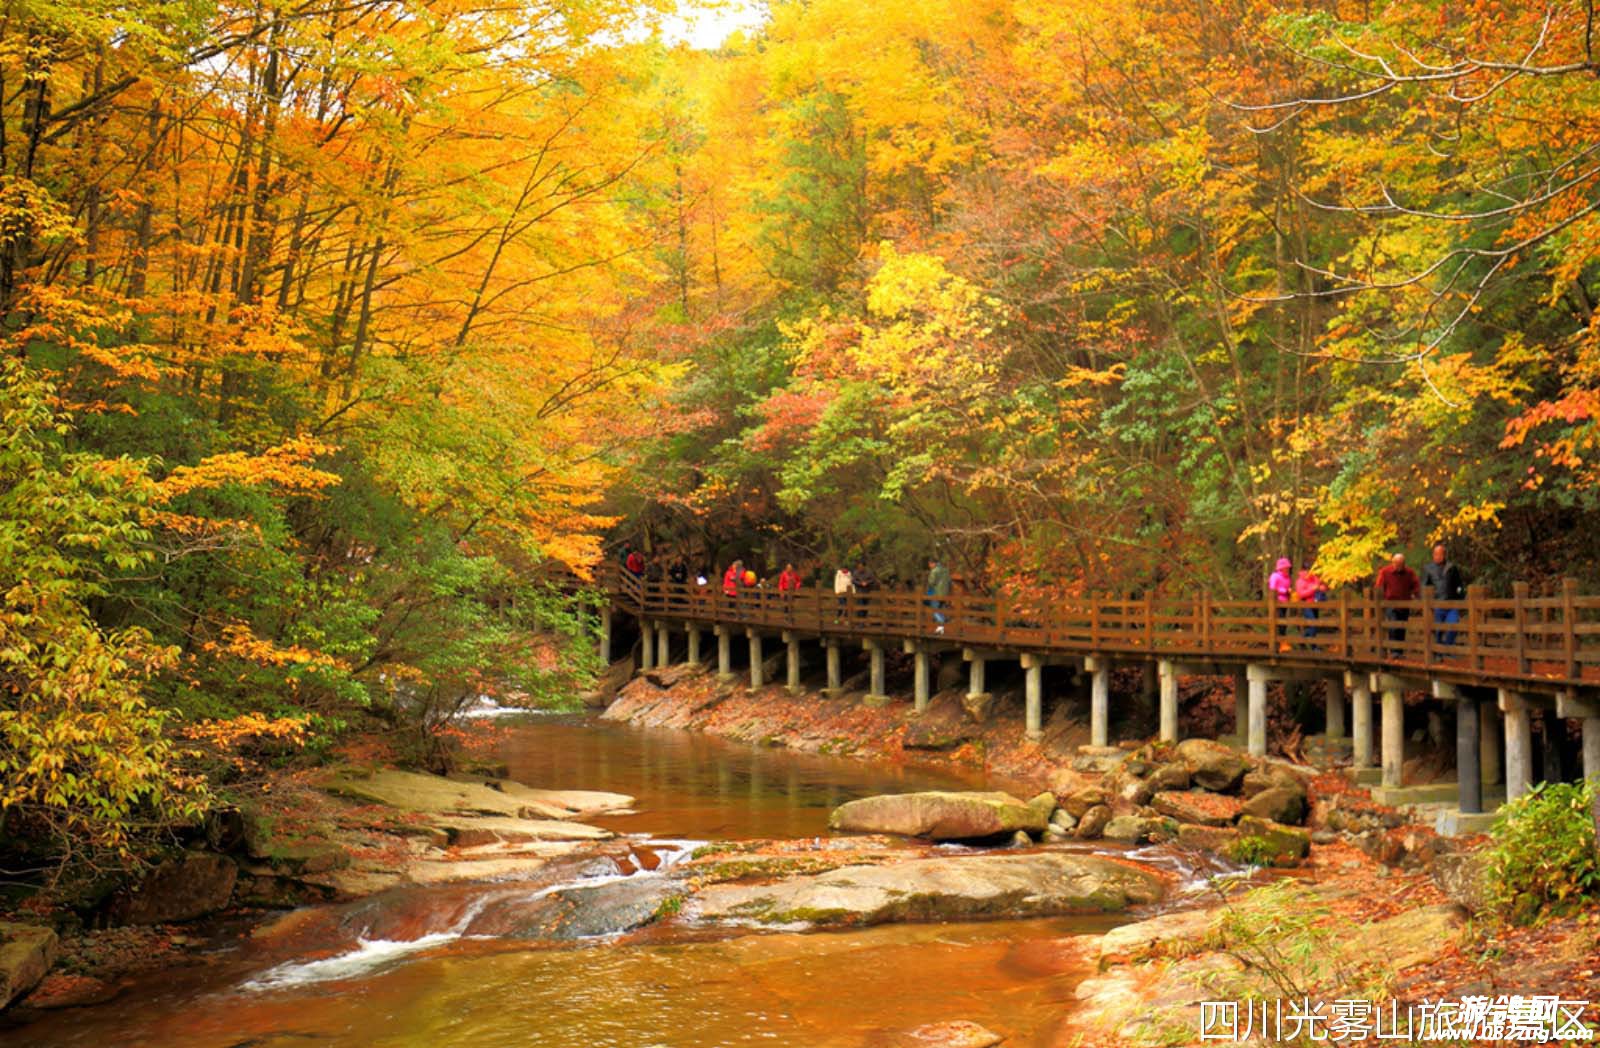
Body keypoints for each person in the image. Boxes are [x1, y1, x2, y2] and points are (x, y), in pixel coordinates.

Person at [1374, 552, 1421, 655]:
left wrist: (1416, 596)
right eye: (1397, 563)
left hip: (1404, 604)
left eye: (1401, 564)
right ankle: (1394, 650)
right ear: (1393, 563)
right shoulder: (1385, 572)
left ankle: (1399, 651)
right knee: (1393, 625)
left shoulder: (1409, 572)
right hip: (1390, 603)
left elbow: (1416, 586)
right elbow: (1378, 587)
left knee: (1401, 627)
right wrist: (1381, 600)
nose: (1399, 566)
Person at [1422, 543, 1466, 646]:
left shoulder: (1452, 567)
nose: (1438, 556)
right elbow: (1424, 586)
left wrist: (1461, 598)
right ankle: (1438, 652)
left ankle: (1448, 648)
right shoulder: (1428, 568)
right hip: (1436, 604)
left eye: (1440, 554)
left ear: (1445, 555)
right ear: (1433, 555)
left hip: (1451, 604)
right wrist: (1426, 603)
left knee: (1454, 625)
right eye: (1436, 554)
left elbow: (1459, 585)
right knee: (1438, 630)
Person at [1294, 565, 1328, 638]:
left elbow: (1322, 585)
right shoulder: (1300, 581)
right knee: (1313, 624)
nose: (1309, 573)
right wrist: (1313, 589)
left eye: (1310, 570)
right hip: (1306, 605)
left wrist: (1322, 588)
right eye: (1307, 570)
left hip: (1315, 604)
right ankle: (1305, 640)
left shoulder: (1314, 578)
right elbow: (1301, 594)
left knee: (1315, 625)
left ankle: (1310, 644)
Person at [1268, 557, 1293, 647]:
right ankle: (1279, 643)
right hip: (1276, 602)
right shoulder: (1275, 576)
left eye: (1288, 568)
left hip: (1285, 602)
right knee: (1279, 622)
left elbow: (1287, 588)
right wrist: (1284, 591)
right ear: (1281, 568)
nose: (1288, 569)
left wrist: (1290, 593)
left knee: (1284, 623)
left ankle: (1283, 643)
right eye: (1286, 567)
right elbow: (1272, 589)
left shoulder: (1287, 578)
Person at [925, 557, 952, 633]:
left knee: (934, 610)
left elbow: (931, 582)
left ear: (933, 563)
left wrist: (928, 581)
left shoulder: (934, 571)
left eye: (929, 564)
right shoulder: (946, 570)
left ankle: (942, 622)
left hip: (936, 593)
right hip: (945, 594)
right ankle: (941, 629)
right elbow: (949, 582)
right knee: (941, 610)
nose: (929, 566)